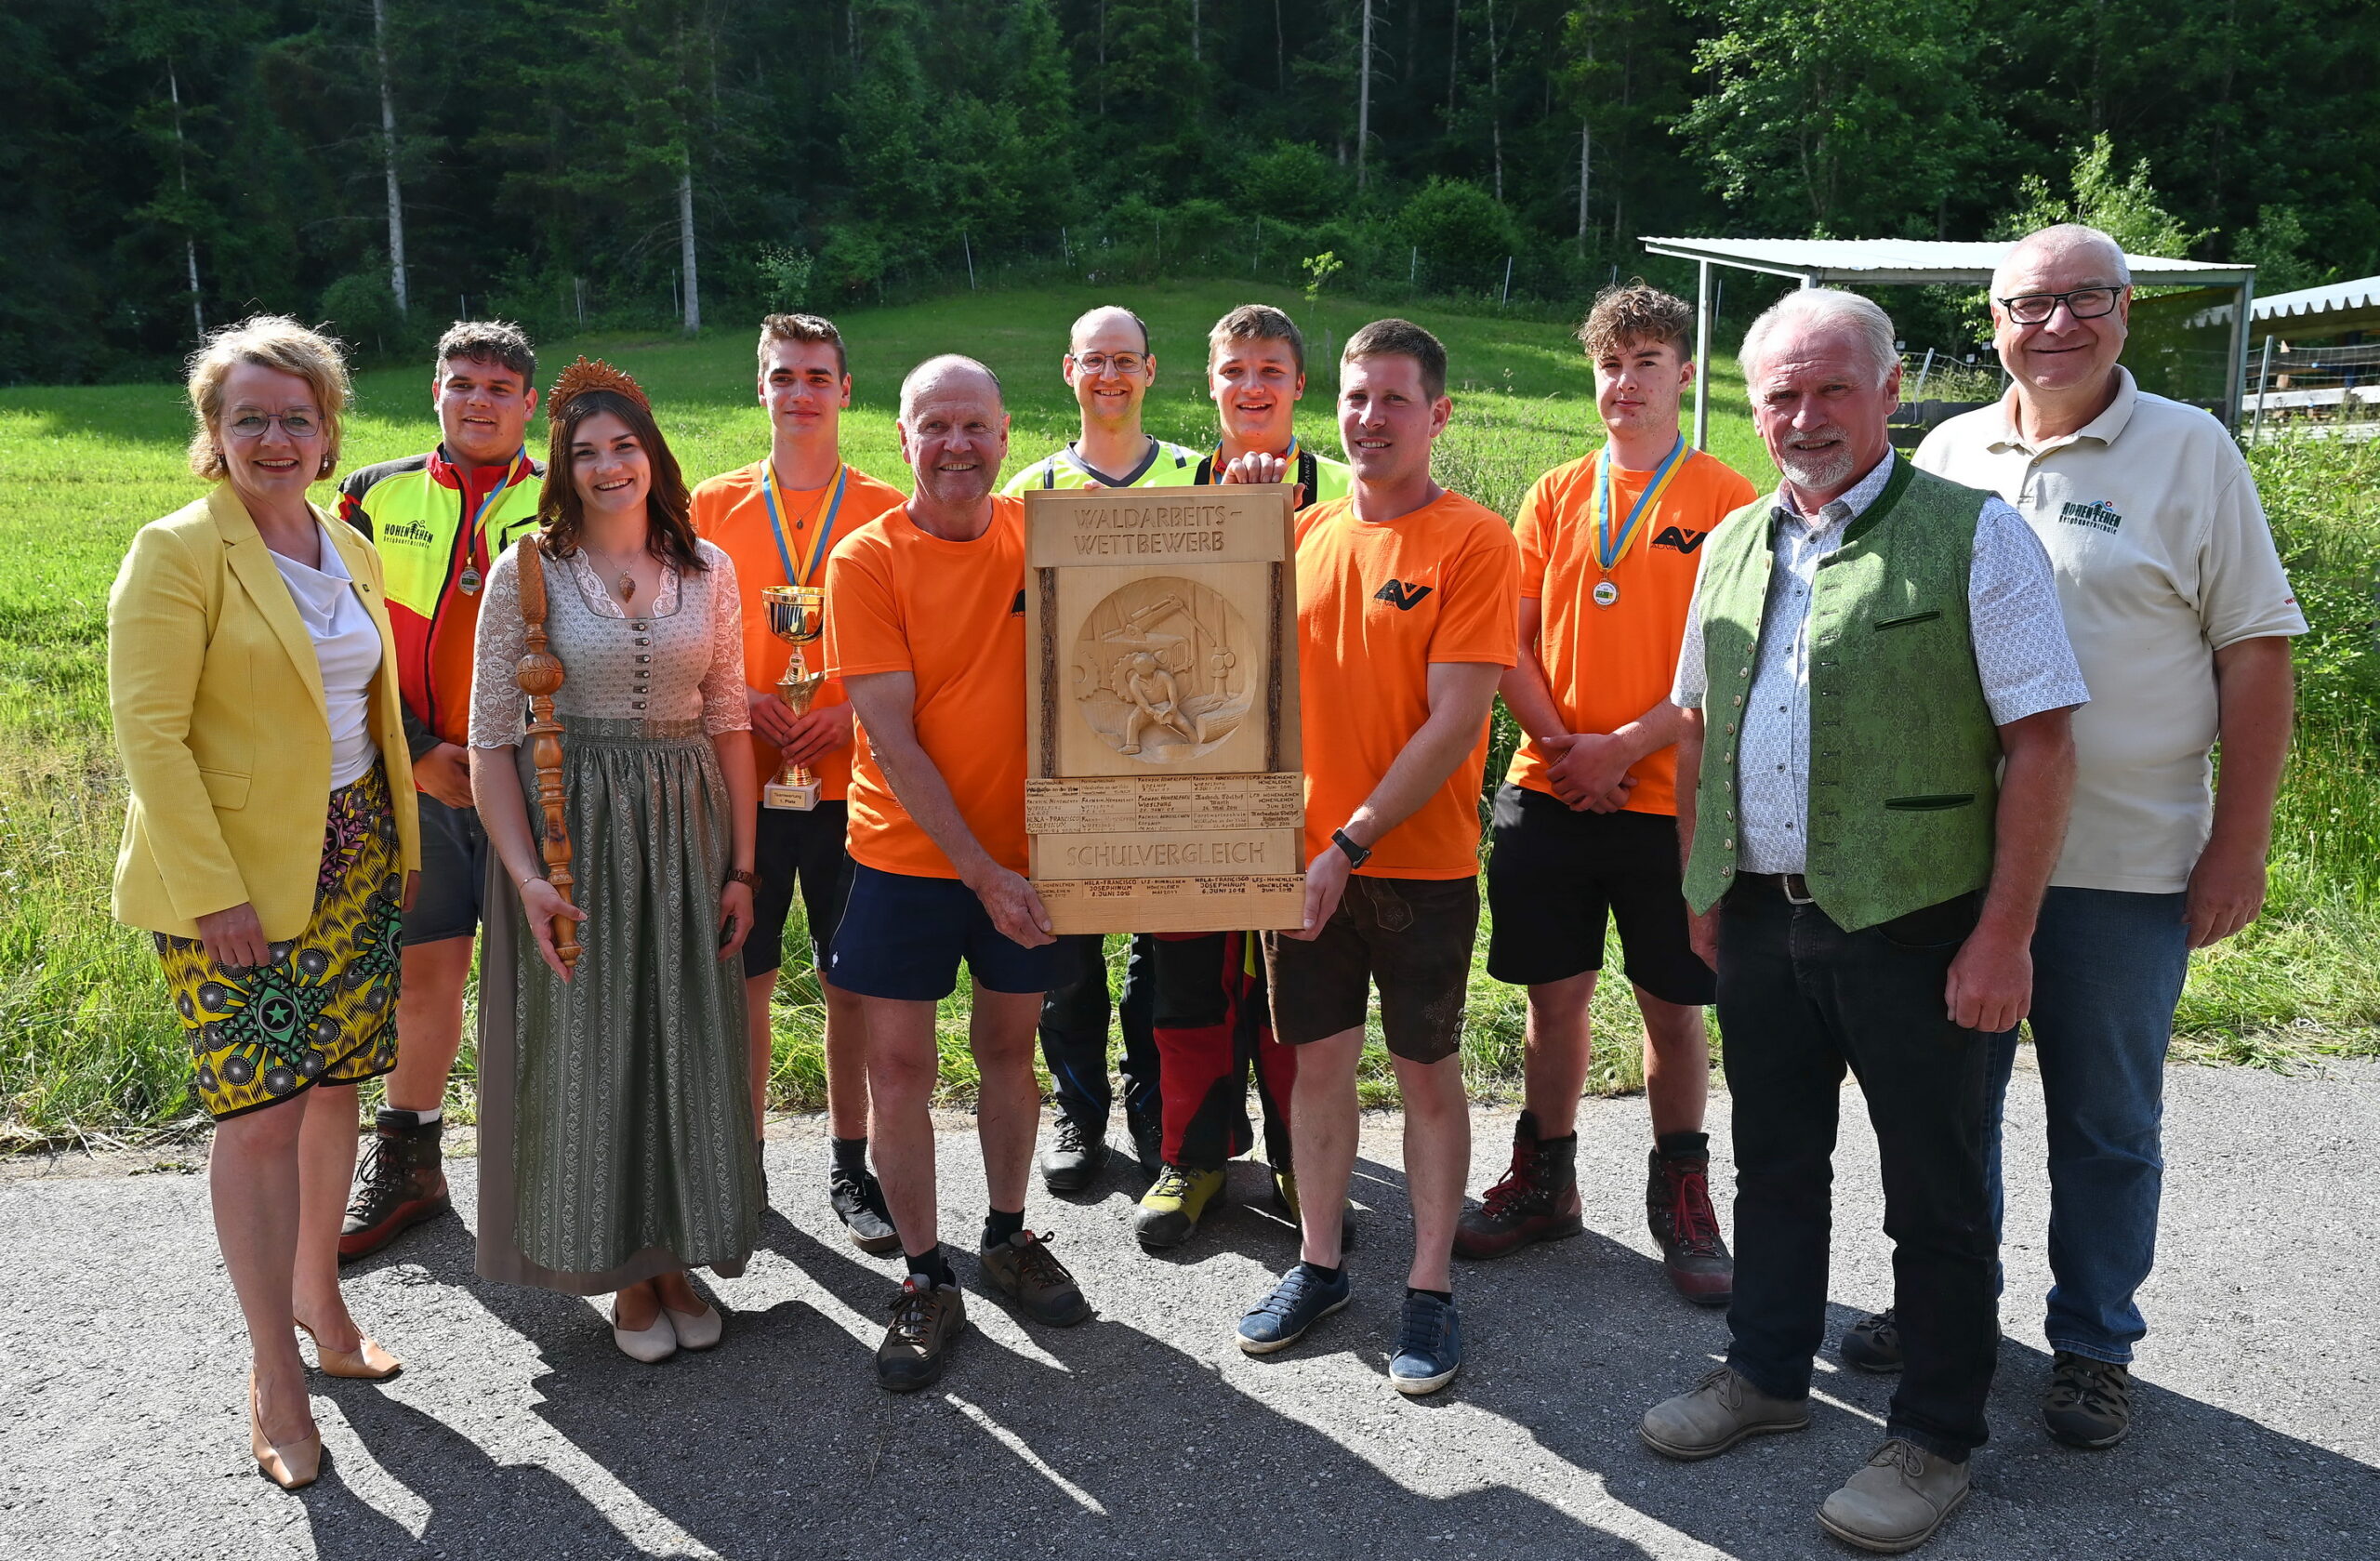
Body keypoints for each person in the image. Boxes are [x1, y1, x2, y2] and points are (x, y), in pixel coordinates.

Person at [1829, 224, 2307, 1449]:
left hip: (2124, 865)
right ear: (1991, 319)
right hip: (1955, 863)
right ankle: (1952, 1311)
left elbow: (2255, 652)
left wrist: (2237, 842)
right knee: (1947, 1109)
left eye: (2084, 298)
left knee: (2104, 1118)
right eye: (2028, 304)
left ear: (2127, 311)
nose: (2055, 324)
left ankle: (2093, 1341)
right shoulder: (1943, 450)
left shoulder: (2189, 452)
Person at [1637, 288, 2086, 1554]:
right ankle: (1769, 1370)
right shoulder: (1728, 541)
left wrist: (2005, 934)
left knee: (1934, 1195)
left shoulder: (1974, 534)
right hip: (1763, 920)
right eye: (1781, 391)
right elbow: (1697, 728)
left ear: (1890, 392)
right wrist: (1701, 883)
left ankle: (1937, 1435)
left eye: (1833, 386)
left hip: (1921, 924)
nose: (1806, 414)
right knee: (1775, 1161)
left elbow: (2044, 748)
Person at [109, 316, 422, 1488]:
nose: (275, 436)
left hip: (351, 860)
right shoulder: (178, 550)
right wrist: (213, 892)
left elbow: (363, 708)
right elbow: (150, 734)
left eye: (297, 416)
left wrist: (391, 841)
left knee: (337, 1082)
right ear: (214, 431)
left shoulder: (348, 543)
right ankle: (271, 1370)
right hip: (230, 884)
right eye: (250, 417)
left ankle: (322, 1309)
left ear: (330, 428)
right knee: (259, 1115)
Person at [1235, 319, 1518, 1397]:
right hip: (1297, 861)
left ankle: (1431, 1285)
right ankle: (1319, 1262)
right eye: (1354, 398)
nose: (1369, 418)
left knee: (1424, 1074)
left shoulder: (1474, 540)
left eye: (1393, 399)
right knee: (1313, 1066)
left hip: (1414, 864)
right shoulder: (1298, 537)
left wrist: (1350, 839)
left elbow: (1457, 721)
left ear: (1435, 414)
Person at [1456, 283, 1755, 1304]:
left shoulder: (1725, 501)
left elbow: (1734, 663)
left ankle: (1683, 1194)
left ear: (1684, 374)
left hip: (1670, 796)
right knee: (1555, 999)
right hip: (1551, 786)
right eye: (1609, 365)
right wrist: (1561, 745)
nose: (1624, 383)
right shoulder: (1550, 493)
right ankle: (1545, 1178)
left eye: (1645, 363)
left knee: (1675, 1006)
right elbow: (1508, 639)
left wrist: (1624, 745)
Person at [467, 358, 762, 1364]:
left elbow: (728, 721)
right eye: (583, 453)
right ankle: (624, 1271)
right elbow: (486, 739)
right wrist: (525, 873)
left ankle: (675, 1251)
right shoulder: (526, 574)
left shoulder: (709, 569)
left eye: (622, 446)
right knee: (594, 1044)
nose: (606, 467)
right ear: (561, 468)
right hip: (572, 829)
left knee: (682, 1035)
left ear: (653, 454)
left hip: (686, 828)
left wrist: (742, 867)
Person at [826, 354, 1091, 1393]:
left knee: (1008, 1050)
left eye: (975, 426)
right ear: (901, 440)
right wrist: (979, 871)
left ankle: (1008, 1235)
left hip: (1025, 859)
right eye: (934, 426)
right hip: (905, 857)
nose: (956, 447)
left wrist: (1257, 496)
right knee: (900, 1069)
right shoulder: (865, 559)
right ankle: (925, 1274)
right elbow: (889, 735)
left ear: (1005, 433)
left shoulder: (1044, 541)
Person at [1130, 303, 1349, 1250]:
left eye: (1270, 369)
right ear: (1207, 383)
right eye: (1232, 370)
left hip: (1310, 778)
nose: (1250, 386)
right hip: (1187, 776)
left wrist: (1286, 526)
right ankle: (1195, 1155)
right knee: (1186, 979)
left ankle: (1308, 1158)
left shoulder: (1346, 486)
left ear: (1300, 385)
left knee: (1295, 982)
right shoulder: (1164, 484)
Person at [691, 313, 906, 1251]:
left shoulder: (889, 507)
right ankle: (742, 1159)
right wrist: (737, 694)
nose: (801, 392)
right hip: (741, 779)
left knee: (847, 981)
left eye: (818, 375)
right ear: (761, 387)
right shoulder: (708, 505)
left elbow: (918, 648)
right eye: (783, 375)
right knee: (744, 976)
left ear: (845, 391)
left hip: (851, 783)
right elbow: (678, 630)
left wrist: (853, 711)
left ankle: (850, 1162)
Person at [334, 321, 544, 1261]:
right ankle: (410, 1161)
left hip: (539, 783)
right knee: (427, 978)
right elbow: (342, 638)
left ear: (529, 403)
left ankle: (547, 1170)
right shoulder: (372, 494)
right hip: (415, 778)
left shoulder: (569, 492)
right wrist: (416, 749)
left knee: (543, 979)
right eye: (463, 383)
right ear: (435, 392)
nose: (480, 401)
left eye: (501, 386)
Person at [1003, 305, 1202, 1190]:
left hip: (1180, 763)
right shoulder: (1028, 486)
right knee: (1068, 958)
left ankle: (1158, 1100)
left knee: (1167, 952)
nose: (1111, 375)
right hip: (1066, 763)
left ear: (1152, 371)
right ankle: (1078, 1110)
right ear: (1068, 370)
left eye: (1127, 360)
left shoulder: (1205, 476)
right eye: (1095, 361)